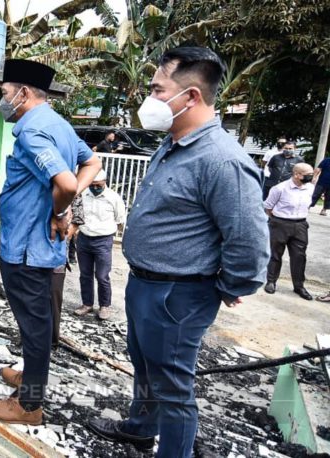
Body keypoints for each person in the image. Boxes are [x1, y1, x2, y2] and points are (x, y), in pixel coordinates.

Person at [87, 47, 269, 457]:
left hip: (179, 293)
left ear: (190, 97)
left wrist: (226, 286)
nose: (148, 100)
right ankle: (139, 427)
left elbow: (248, 241)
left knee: (173, 387)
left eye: (156, 90)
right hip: (145, 283)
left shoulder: (222, 161)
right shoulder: (172, 144)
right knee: (145, 364)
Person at [0, 59, 101, 425]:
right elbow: (92, 163)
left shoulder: (33, 132)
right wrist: (64, 205)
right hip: (40, 247)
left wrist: (60, 210)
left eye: (5, 94)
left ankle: (29, 405)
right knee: (35, 323)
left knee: (34, 328)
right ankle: (29, 377)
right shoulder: (60, 125)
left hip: (27, 248)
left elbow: (65, 184)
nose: (3, 102)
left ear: (23, 93)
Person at [72, 169, 126, 321]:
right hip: (84, 238)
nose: (95, 188)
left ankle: (105, 306)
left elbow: (120, 219)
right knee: (85, 274)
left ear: (105, 183)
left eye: (98, 185)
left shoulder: (113, 198)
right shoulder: (83, 194)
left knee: (102, 276)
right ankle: (87, 304)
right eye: (92, 185)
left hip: (103, 240)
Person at [263, 163, 315, 300]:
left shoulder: (310, 188)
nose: (311, 176)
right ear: (297, 174)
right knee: (275, 254)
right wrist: (277, 220)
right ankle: (271, 282)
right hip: (280, 223)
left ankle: (299, 286)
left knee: (299, 256)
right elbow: (268, 207)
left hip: (301, 225)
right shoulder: (279, 188)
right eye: (308, 174)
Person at [50, 195, 85, 347]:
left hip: (56, 255)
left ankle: (51, 340)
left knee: (53, 299)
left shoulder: (73, 193)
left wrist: (61, 236)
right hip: (32, 255)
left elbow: (77, 221)